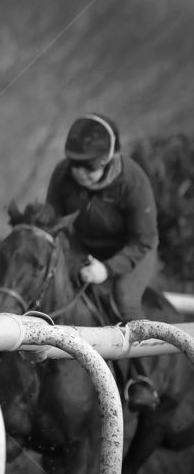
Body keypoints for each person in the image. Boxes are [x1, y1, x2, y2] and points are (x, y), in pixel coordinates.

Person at [46, 113, 160, 410]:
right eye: (74, 163)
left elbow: (143, 241)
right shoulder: (62, 175)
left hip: (133, 249)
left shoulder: (133, 182)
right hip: (84, 244)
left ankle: (141, 379)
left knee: (124, 298)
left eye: (88, 167)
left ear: (108, 161)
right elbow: (53, 224)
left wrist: (106, 269)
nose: (79, 172)